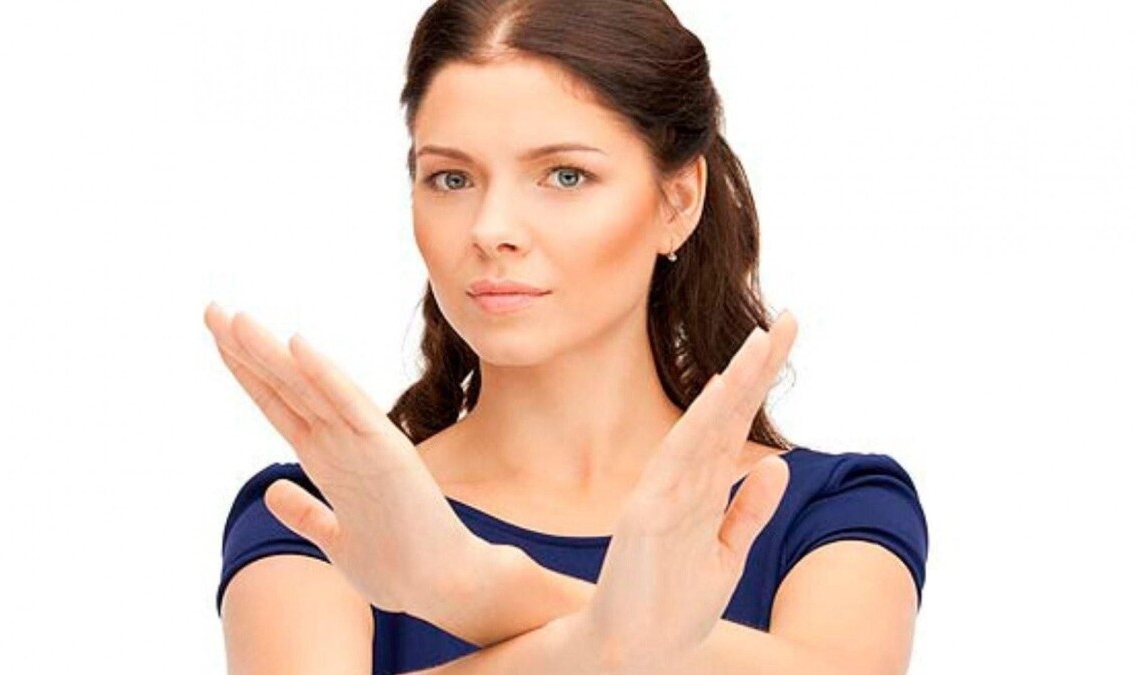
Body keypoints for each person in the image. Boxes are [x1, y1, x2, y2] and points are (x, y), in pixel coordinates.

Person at [208, 1, 928, 673]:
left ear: (678, 201)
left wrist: (479, 589)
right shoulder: (328, 518)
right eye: (451, 179)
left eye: (565, 174)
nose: (492, 229)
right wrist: (610, 639)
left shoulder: (833, 508)